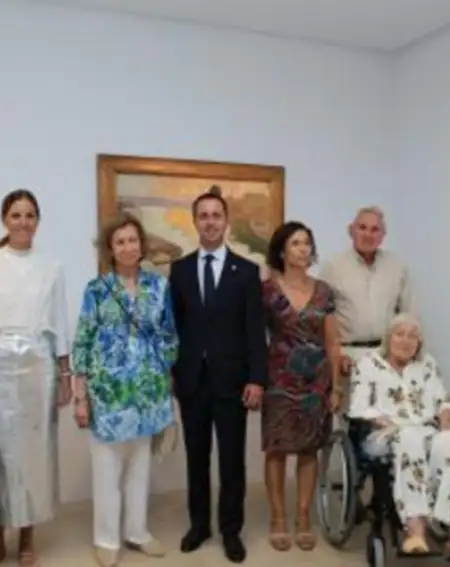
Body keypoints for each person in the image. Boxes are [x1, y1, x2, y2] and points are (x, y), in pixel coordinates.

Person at [0, 189, 73, 567]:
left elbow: (59, 320)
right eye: (16, 215)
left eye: (29, 215)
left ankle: (27, 540)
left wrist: (65, 374)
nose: (23, 222)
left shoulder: (52, 265)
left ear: (37, 221)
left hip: (39, 365)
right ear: (4, 220)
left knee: (34, 456)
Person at [71, 213, 178, 567]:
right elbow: (83, 343)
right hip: (108, 393)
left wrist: (162, 374)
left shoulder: (158, 286)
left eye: (133, 240)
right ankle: (106, 538)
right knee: (107, 468)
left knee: (140, 466)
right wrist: (80, 395)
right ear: (110, 249)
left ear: (142, 245)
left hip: (147, 392)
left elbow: (169, 334)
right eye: (120, 242)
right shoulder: (97, 290)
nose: (128, 247)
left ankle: (137, 532)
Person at [168, 186, 268, 563]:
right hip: (192, 381)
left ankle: (230, 530)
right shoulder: (178, 270)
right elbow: (173, 329)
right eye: (203, 216)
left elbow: (254, 332)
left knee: (231, 461)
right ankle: (199, 527)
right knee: (197, 459)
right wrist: (172, 372)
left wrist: (257, 378)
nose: (210, 222)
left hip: (233, 382)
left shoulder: (246, 272)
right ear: (195, 222)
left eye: (216, 215)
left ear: (226, 222)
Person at [347, 313, 450, 561]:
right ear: (388, 338)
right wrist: (381, 419)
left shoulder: (426, 365)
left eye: (413, 336)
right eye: (399, 334)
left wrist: (445, 418)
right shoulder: (369, 363)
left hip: (425, 429)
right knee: (409, 439)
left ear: (419, 343)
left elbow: (442, 398)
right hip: (385, 432)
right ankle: (416, 528)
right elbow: (357, 406)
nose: (406, 341)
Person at [259, 221, 343, 552]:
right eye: (296, 243)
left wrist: (335, 387)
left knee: (309, 449)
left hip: (316, 381)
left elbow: (333, 342)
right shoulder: (266, 290)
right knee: (276, 449)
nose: (303, 249)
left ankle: (304, 517)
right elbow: (254, 337)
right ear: (282, 250)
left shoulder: (325, 292)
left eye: (307, 243)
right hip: (278, 379)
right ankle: (278, 517)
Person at [319, 205, 415, 371]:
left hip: (387, 356)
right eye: (362, 228)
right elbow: (321, 317)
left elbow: (408, 315)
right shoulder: (333, 267)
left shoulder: (396, 267)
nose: (368, 234)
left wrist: (405, 354)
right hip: (347, 357)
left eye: (375, 229)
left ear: (383, 236)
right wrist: (336, 357)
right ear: (351, 231)